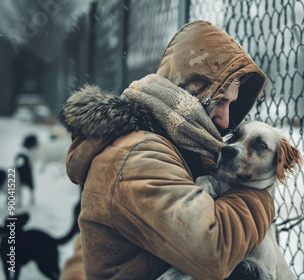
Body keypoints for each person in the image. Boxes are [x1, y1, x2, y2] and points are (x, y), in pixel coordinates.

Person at [58, 20, 274, 280]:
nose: (226, 121)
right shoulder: (137, 154)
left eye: (231, 105)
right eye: (220, 101)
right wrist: (259, 192)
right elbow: (213, 251)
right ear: (191, 90)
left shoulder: (169, 145)